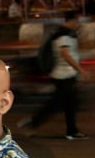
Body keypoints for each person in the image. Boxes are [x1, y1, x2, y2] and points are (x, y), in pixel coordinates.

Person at [19, 10, 88, 140]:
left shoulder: (65, 33)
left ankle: (70, 130)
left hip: (66, 74)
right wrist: (80, 69)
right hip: (63, 75)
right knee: (60, 104)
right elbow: (65, 54)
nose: (78, 24)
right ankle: (32, 124)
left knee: (66, 103)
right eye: (77, 21)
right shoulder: (64, 34)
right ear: (73, 20)